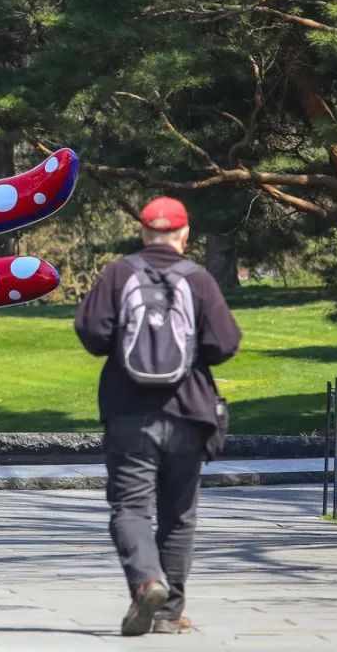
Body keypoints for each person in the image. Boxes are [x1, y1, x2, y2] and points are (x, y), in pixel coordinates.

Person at [74, 197, 241, 636]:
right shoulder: (199, 279)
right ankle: (169, 614)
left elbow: (91, 334)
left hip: (129, 414)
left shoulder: (118, 274)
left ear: (144, 233)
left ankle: (148, 581)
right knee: (179, 513)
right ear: (185, 235)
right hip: (190, 412)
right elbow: (224, 344)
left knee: (130, 507)